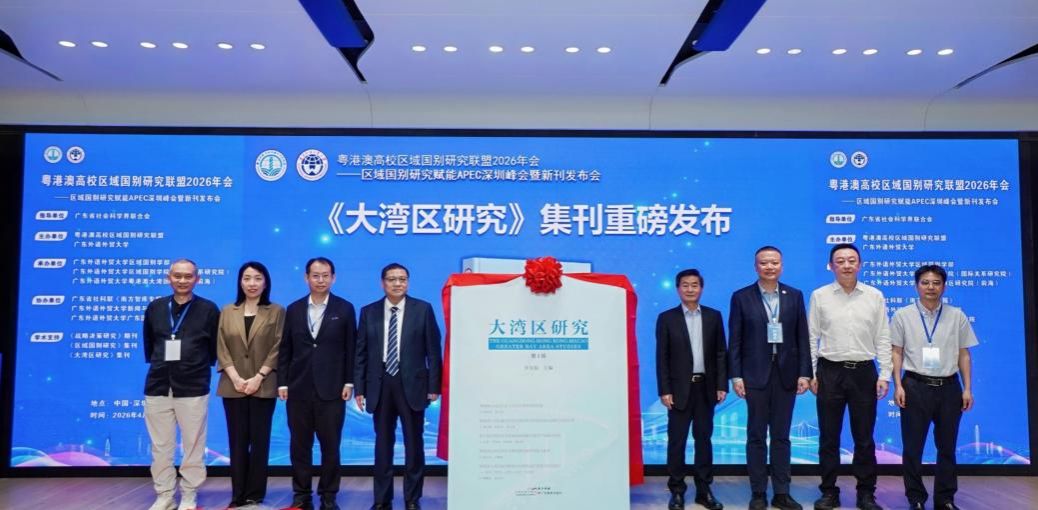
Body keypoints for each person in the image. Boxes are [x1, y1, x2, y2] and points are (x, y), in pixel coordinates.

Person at [808, 243, 891, 510]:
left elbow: (883, 336)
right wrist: (811, 373)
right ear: (831, 265)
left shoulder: (874, 295)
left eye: (852, 260)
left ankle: (866, 493)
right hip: (829, 372)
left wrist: (885, 374)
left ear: (860, 264)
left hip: (864, 372)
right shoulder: (820, 295)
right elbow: (812, 336)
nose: (846, 265)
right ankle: (828, 492)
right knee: (828, 437)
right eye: (840, 260)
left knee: (864, 438)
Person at [728, 246, 811, 510]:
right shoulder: (741, 297)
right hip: (754, 375)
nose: (769, 267)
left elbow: (802, 337)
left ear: (781, 266)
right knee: (755, 435)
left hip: (786, 375)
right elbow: (735, 340)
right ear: (756, 267)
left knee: (781, 436)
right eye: (764, 263)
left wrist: (805, 372)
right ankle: (758, 493)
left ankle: (782, 493)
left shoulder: (794, 296)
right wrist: (736, 376)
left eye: (774, 262)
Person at [355, 263, 443, 510]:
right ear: (382, 283)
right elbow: (360, 353)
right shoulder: (368, 311)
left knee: (414, 444)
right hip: (380, 383)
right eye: (392, 279)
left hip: (413, 385)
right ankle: (382, 500)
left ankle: (412, 499)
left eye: (402, 279)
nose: (397, 283)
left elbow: (433, 351)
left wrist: (434, 386)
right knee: (382, 444)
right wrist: (360, 388)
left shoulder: (422, 309)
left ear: (408, 282)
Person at [891, 265, 977, 510]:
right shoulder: (902, 315)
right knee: (913, 447)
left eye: (936, 283)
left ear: (944, 287)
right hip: (915, 385)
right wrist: (898, 384)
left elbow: (964, 354)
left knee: (947, 446)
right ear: (916, 286)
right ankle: (916, 498)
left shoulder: (956, 315)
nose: (931, 287)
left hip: (949, 387)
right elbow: (896, 352)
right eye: (925, 282)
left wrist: (967, 388)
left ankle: (945, 499)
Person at [278, 257, 357, 510]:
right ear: (306, 278)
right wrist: (282, 383)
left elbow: (351, 348)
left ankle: (328, 494)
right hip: (298, 388)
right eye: (315, 275)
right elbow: (285, 349)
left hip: (332, 389)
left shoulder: (345, 308)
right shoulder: (294, 309)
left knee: (330, 446)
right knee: (299, 445)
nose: (320, 280)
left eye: (325, 275)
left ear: (333, 278)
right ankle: (301, 494)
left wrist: (349, 382)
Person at [142, 259, 220, 510]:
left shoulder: (209, 309)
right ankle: (164, 494)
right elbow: (150, 345)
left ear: (197, 279)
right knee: (160, 446)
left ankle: (189, 493)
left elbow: (213, 349)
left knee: (193, 444)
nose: (182, 280)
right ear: (169, 278)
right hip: (158, 384)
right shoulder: (155, 308)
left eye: (188, 276)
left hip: (193, 385)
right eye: (177, 276)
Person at [655, 268, 727, 510]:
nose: (690, 289)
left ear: (701, 288)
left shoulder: (714, 316)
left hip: (706, 388)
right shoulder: (667, 318)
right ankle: (677, 491)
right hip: (678, 391)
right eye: (685, 285)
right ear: (678, 289)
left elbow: (721, 353)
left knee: (704, 440)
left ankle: (704, 491)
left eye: (694, 285)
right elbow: (662, 357)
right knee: (677, 441)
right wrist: (665, 390)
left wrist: (721, 385)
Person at [216, 261, 285, 508]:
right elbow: (221, 347)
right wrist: (235, 377)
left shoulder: (276, 311)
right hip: (232, 385)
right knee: (237, 442)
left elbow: (278, 346)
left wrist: (258, 377)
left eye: (257, 278)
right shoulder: (227, 311)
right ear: (240, 282)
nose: (252, 283)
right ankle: (237, 494)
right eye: (247, 278)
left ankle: (254, 494)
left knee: (259, 441)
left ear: (265, 283)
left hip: (263, 386)